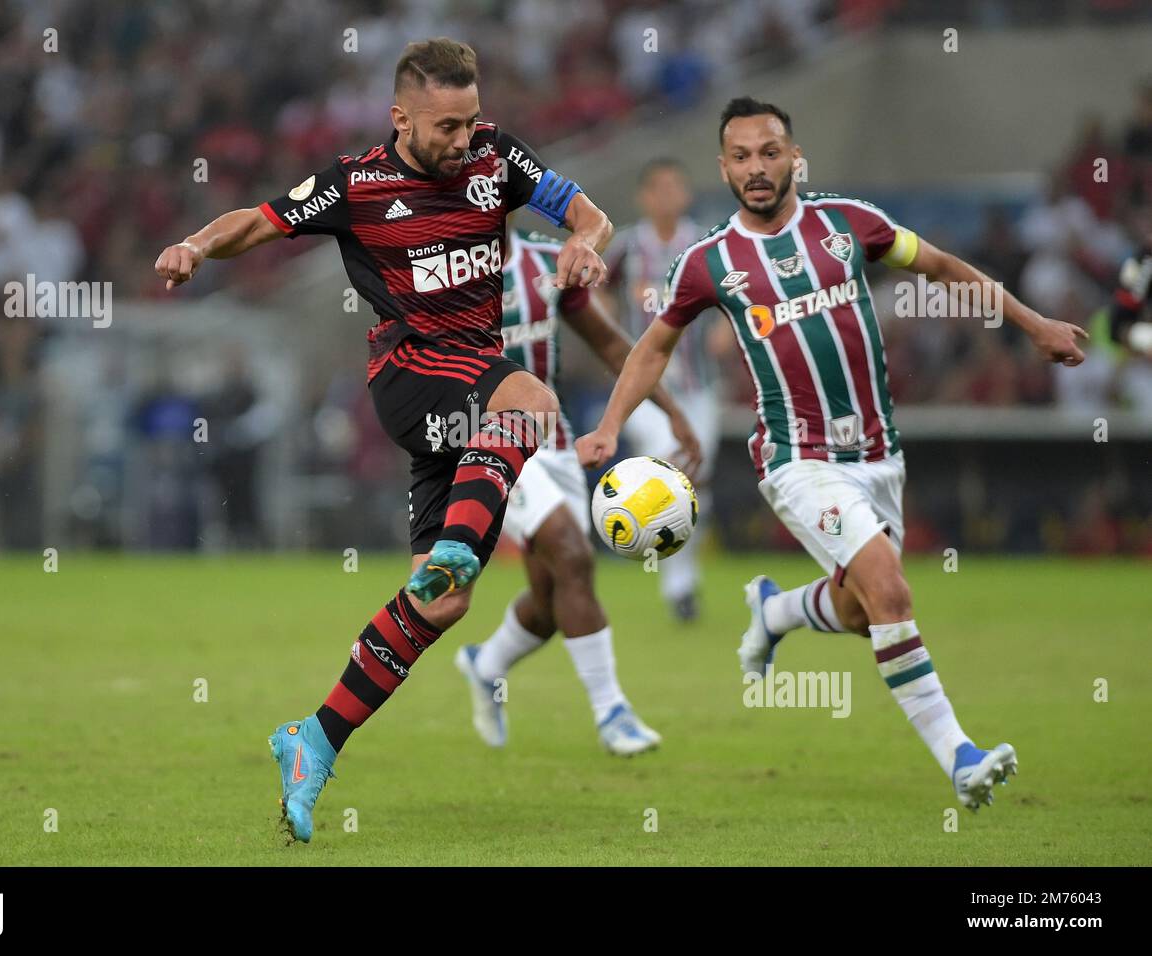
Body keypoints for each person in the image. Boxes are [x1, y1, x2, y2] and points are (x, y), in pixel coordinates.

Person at [154, 38, 613, 843]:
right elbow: (255, 224)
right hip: (408, 373)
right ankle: (467, 544)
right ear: (400, 117)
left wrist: (585, 243)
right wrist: (194, 246)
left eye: (470, 122)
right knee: (533, 403)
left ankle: (313, 740)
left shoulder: (497, 156)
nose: (463, 139)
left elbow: (588, 212)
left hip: (469, 378)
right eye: (445, 127)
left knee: (442, 602)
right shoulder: (353, 183)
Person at [576, 96, 1088, 811]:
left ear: (795, 157)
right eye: (742, 157)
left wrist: (1033, 325)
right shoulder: (709, 264)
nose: (757, 168)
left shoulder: (850, 225)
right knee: (893, 593)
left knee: (860, 614)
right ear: (723, 168)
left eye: (770, 152)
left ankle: (776, 612)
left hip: (880, 456)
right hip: (796, 458)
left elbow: (939, 266)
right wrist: (609, 427)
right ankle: (960, 758)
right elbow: (652, 347)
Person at [456, 227, 700, 756]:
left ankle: (486, 664)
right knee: (572, 553)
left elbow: (613, 344)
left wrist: (674, 413)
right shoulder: (442, 267)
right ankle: (613, 713)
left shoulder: (552, 261)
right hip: (487, 441)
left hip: (556, 443)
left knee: (550, 601)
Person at [605, 159, 718, 621]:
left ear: (686, 193)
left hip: (699, 383)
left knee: (696, 473)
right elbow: (596, 289)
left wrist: (729, 327)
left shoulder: (707, 242)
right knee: (671, 455)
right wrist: (610, 331)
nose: (668, 195)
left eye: (676, 186)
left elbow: (739, 289)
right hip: (646, 388)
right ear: (644, 197)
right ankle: (679, 585)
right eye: (659, 188)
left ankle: (680, 571)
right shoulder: (628, 247)